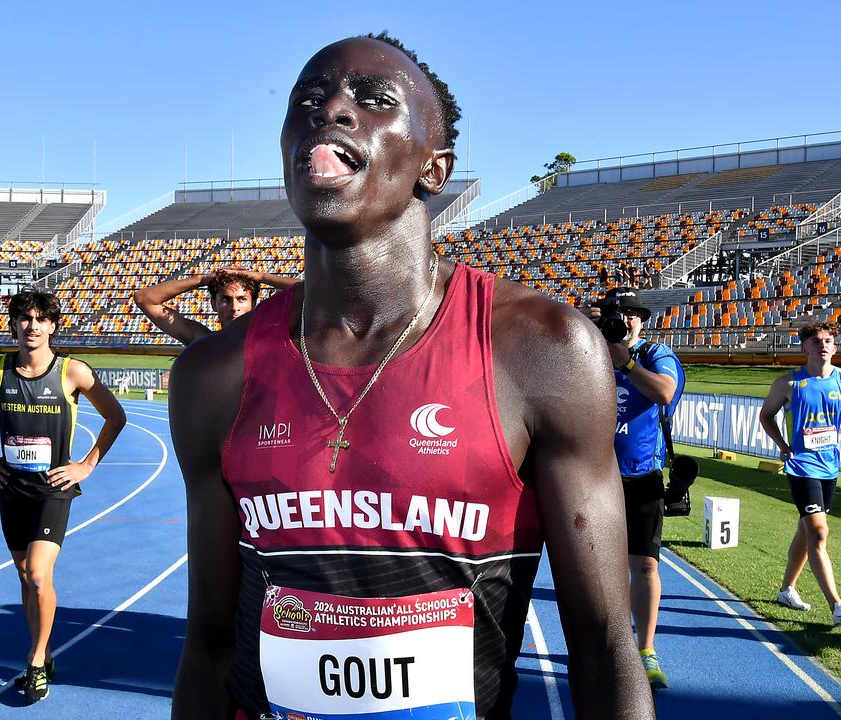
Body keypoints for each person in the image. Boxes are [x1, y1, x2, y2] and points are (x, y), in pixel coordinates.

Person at [169, 33, 653, 719]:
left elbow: (604, 647)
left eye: (372, 100)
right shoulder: (212, 375)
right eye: (309, 99)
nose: (330, 108)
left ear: (434, 168)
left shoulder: (541, 349)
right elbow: (209, 648)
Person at [0, 290, 125, 702]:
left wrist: (86, 465)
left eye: (40, 319)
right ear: (14, 324)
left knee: (38, 573)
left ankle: (36, 663)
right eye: (24, 318)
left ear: (53, 325)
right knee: (25, 578)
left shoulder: (72, 371)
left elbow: (115, 415)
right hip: (11, 487)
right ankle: (46, 649)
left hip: (53, 488)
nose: (31, 326)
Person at [590, 287, 683, 690]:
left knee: (645, 564)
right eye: (615, 313)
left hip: (641, 476)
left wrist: (624, 363)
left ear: (641, 319)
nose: (622, 320)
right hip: (594, 477)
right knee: (596, 569)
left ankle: (645, 648)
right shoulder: (588, 350)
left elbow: (664, 391)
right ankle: (607, 645)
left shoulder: (653, 354)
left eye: (630, 313)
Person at [758, 321, 841, 626]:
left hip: (829, 467)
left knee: (806, 530)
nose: (822, 345)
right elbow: (766, 415)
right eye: (816, 341)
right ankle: (837, 605)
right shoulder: (788, 384)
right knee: (819, 531)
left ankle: (787, 589)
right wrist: (783, 445)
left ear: (835, 347)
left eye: (828, 340)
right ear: (804, 348)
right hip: (801, 466)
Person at [133, 266, 298, 345]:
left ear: (253, 304)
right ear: (213, 304)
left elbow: (314, 293)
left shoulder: (272, 338)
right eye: (226, 299)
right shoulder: (202, 340)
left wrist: (261, 276)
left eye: (241, 299)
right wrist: (203, 280)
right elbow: (144, 298)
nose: (234, 307)